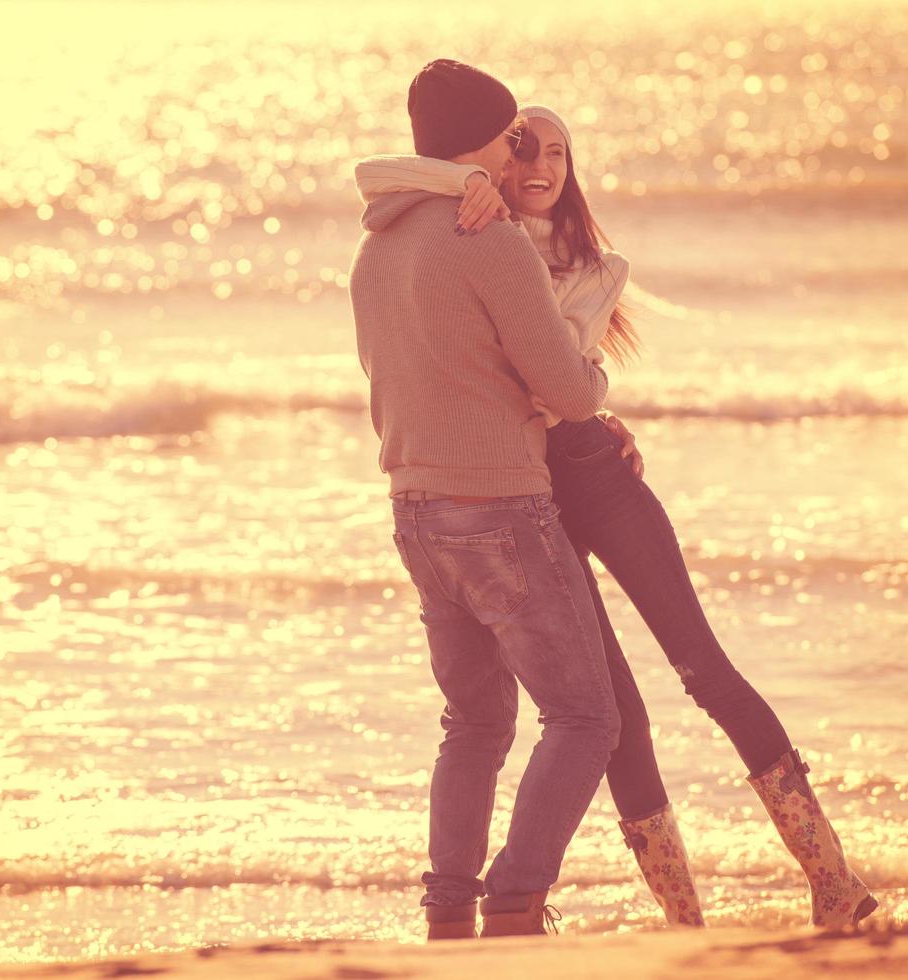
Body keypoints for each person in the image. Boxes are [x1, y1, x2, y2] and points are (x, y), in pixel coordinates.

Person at [354, 104, 879, 930]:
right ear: (492, 158)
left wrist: (595, 411)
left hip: (592, 477)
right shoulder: (471, 229)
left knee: (704, 670)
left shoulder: (589, 263)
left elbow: (553, 381)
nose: (542, 166)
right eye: (523, 148)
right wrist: (468, 191)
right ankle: (683, 918)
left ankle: (832, 878)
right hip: (527, 495)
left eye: (560, 153)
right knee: (614, 712)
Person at [349, 60, 623, 941]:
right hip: (500, 507)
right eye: (513, 135)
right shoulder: (492, 242)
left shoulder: (378, 243)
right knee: (585, 718)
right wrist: (594, 371)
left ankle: (449, 914)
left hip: (414, 507)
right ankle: (515, 900)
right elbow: (572, 394)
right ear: (490, 138)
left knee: (473, 722)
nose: (521, 150)